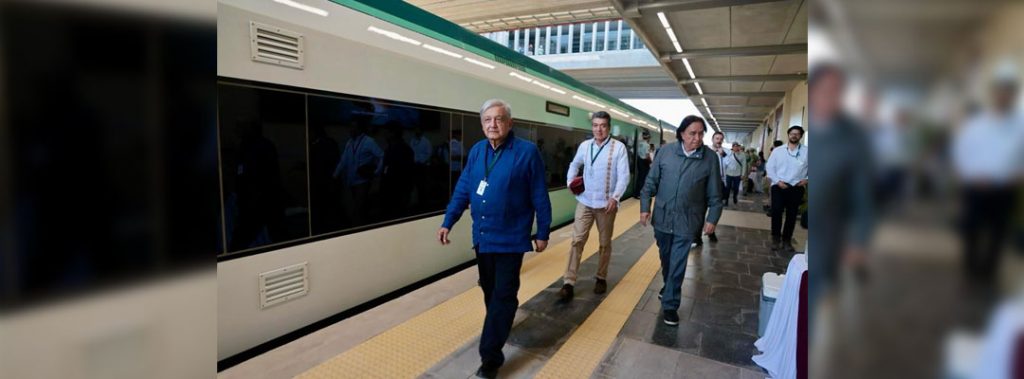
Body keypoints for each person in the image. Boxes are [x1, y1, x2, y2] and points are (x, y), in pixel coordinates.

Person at [437, 99, 551, 379]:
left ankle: (490, 358)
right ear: (482, 123)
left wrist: (543, 231)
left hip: (512, 239)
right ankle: (500, 323)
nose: (493, 124)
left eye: (498, 119)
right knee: (491, 293)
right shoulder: (477, 151)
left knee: (503, 295)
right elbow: (464, 188)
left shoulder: (527, 152)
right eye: (487, 119)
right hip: (483, 238)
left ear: (510, 123)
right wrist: (448, 220)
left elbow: (539, 193)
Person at [640, 115, 723, 326]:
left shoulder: (709, 158)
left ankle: (670, 304)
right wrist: (644, 208)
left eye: (700, 134)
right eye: (692, 133)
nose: (697, 138)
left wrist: (712, 218)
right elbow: (651, 182)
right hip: (662, 216)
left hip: (688, 220)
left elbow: (715, 194)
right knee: (666, 258)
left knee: (678, 262)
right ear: (681, 134)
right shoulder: (665, 152)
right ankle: (668, 285)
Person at [952, 62, 1024, 283]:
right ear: (993, 93)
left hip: (1005, 189)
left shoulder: (1021, 124)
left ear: (1014, 94)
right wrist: (970, 176)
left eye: (1009, 91)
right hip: (976, 187)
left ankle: (988, 273)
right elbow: (961, 152)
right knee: (971, 231)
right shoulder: (975, 124)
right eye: (1000, 90)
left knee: (997, 234)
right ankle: (971, 270)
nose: (1004, 95)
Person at [559, 111, 630, 300]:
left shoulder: (618, 148)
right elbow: (574, 164)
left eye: (603, 125)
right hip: (585, 201)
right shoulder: (585, 146)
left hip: (606, 204)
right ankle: (569, 281)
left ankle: (601, 277)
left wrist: (615, 197)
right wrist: (569, 182)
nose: (598, 129)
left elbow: (624, 176)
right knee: (577, 240)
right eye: (595, 125)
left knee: (605, 243)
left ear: (609, 127)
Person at [766, 125, 809, 253]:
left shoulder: (807, 151)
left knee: (792, 215)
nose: (794, 135)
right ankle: (775, 238)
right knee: (776, 212)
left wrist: (807, 179)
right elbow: (770, 167)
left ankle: (786, 240)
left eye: (797, 134)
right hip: (779, 186)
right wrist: (777, 181)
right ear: (788, 135)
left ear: (801, 136)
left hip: (796, 187)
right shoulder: (778, 151)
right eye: (792, 133)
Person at [634, 130, 652, 198]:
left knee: (639, 178)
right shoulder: (647, 145)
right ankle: (640, 194)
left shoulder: (640, 144)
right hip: (644, 162)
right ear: (648, 138)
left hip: (639, 161)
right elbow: (647, 156)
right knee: (643, 178)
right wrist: (651, 162)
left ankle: (636, 193)